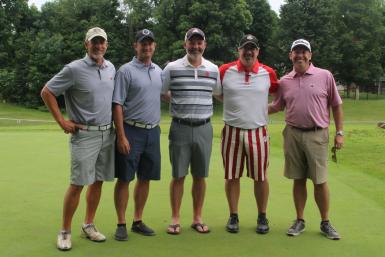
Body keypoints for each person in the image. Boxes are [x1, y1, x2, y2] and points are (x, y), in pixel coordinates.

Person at [40, 27, 116, 251]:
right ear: (86, 44)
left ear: (106, 45)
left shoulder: (111, 67)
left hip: (107, 134)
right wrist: (61, 121)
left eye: (102, 42)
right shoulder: (73, 69)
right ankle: (64, 230)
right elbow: (47, 92)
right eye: (94, 42)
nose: (98, 46)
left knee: (98, 181)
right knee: (77, 184)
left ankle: (88, 225)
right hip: (84, 135)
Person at [269, 39, 343, 240]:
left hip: (317, 134)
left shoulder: (324, 76)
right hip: (292, 134)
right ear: (290, 56)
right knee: (298, 179)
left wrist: (339, 133)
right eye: (296, 52)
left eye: (304, 51)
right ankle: (299, 220)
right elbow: (276, 106)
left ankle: (325, 222)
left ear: (310, 55)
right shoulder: (285, 81)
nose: (300, 55)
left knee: (320, 180)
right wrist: (250, 109)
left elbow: (336, 105)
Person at [161, 28, 221, 234]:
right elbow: (162, 92)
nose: (195, 46)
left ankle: (197, 218)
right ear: (185, 44)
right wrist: (178, 101)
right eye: (191, 42)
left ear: (204, 44)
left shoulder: (213, 69)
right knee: (178, 175)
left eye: (199, 42)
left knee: (200, 176)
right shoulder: (171, 68)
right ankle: (175, 218)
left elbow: (217, 93)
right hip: (180, 127)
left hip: (204, 127)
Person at [218, 34, 278, 234]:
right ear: (239, 50)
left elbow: (279, 97)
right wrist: (233, 105)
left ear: (258, 51)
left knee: (260, 176)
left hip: (258, 131)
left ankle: (262, 215)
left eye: (253, 48)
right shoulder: (225, 71)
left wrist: (264, 109)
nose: (249, 52)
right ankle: (233, 215)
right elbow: (218, 93)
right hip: (232, 131)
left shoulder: (268, 73)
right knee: (232, 175)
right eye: (245, 48)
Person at [112, 29, 162, 240]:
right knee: (124, 178)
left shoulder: (159, 70)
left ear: (154, 46)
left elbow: (164, 94)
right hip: (131, 131)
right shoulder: (126, 71)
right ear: (136, 46)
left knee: (145, 178)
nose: (146, 47)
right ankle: (121, 223)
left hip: (153, 132)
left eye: (150, 43)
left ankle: (137, 221)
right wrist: (121, 136)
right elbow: (117, 104)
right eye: (143, 43)